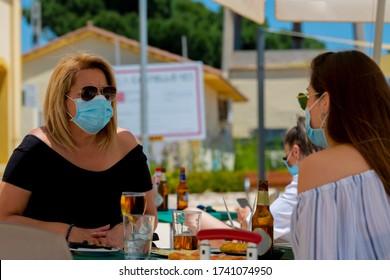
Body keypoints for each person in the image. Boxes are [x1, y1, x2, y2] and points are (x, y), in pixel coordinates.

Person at [0, 52, 157, 249]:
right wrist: (67, 232)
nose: (100, 100)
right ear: (62, 99)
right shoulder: (35, 149)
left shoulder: (126, 145)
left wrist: (128, 229)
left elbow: (149, 214)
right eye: (88, 93)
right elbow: (3, 218)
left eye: (106, 92)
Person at [291, 50, 390, 259]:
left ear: (325, 101)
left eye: (307, 97)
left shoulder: (318, 168)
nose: (306, 108)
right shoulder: (382, 160)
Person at [186, 116, 319, 247]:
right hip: (273, 244)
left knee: (191, 215)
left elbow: (257, 226)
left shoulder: (302, 184)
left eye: (286, 156)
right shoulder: (324, 181)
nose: (286, 162)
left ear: (296, 152)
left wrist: (247, 216)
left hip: (258, 247)